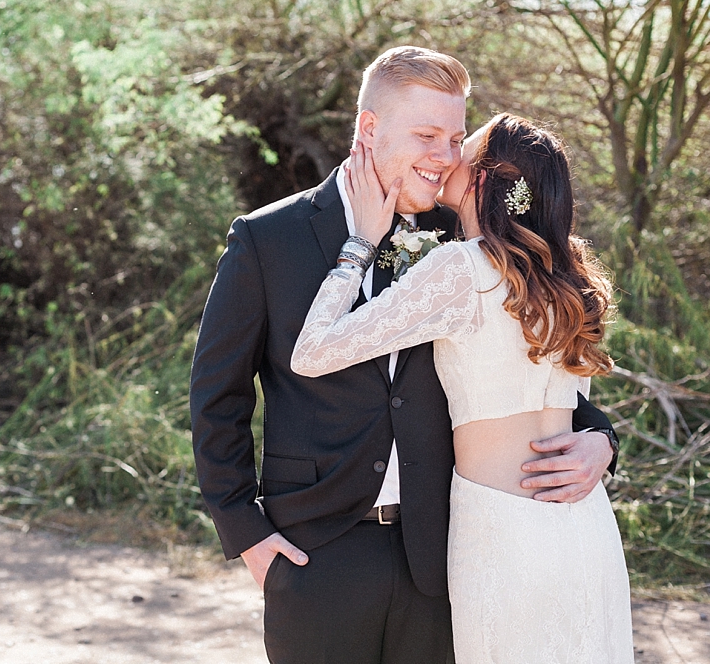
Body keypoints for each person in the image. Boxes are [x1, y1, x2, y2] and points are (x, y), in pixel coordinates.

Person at [190, 46, 619, 663]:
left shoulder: (467, 234)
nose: (444, 157)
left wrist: (599, 439)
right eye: (427, 135)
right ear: (369, 129)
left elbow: (540, 359)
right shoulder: (267, 238)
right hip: (316, 551)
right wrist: (247, 532)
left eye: (454, 138)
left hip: (444, 553)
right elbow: (217, 396)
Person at [290, 113, 633, 662]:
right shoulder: (569, 280)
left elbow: (312, 354)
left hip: (500, 531)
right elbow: (573, 405)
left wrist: (358, 246)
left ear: (482, 178)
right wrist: (604, 441)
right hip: (584, 526)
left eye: (461, 149)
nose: (446, 158)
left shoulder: (461, 269)